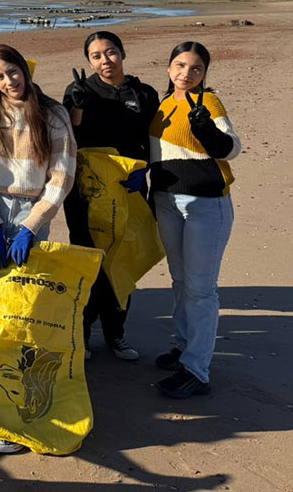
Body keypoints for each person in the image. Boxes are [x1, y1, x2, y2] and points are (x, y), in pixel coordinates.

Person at [0, 44, 76, 454]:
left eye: (12, 72)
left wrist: (32, 225)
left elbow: (62, 175)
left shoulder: (52, 113)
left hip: (33, 211)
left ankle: (20, 405)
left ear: (23, 70)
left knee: (23, 302)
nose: (8, 82)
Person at [148, 41, 240, 399]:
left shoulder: (209, 103)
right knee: (179, 279)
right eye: (180, 66)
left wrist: (208, 133)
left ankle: (196, 370)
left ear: (205, 74)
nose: (186, 74)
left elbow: (232, 147)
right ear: (169, 68)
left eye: (196, 69)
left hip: (205, 205)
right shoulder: (163, 104)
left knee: (201, 289)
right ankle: (183, 345)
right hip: (167, 201)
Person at [63, 31, 160, 361]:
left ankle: (116, 332)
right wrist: (75, 106)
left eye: (111, 52)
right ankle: (83, 331)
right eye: (96, 56)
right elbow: (69, 138)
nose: (105, 60)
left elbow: (152, 140)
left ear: (123, 53)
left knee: (122, 257)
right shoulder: (81, 90)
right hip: (86, 190)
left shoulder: (144, 93)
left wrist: (143, 169)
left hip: (127, 187)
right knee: (89, 259)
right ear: (88, 60)